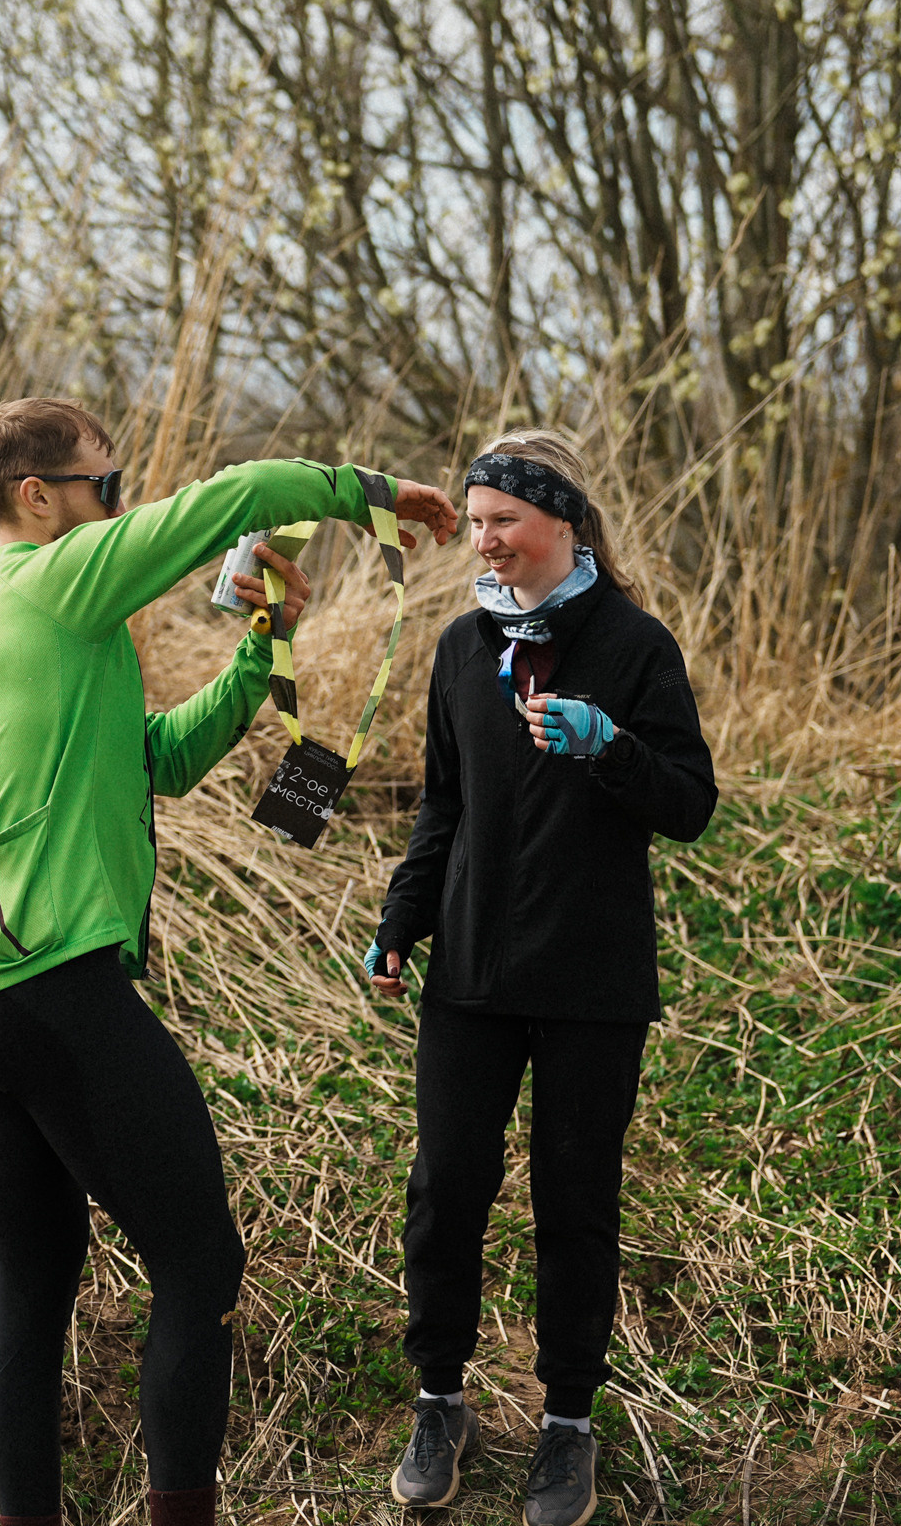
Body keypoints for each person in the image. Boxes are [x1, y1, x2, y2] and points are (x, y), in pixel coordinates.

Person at [0, 398, 459, 1526]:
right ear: (38, 498)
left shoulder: (2, 618)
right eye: (107, 488)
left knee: (33, 1288)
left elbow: (158, 762)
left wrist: (263, 645)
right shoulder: (51, 581)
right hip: (57, 985)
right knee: (202, 1266)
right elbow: (235, 496)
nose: (122, 506)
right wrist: (364, 494)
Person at [363, 429, 716, 1526]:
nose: (484, 540)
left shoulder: (636, 646)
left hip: (591, 980)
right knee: (445, 1193)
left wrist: (610, 744)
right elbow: (444, 806)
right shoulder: (464, 647)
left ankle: (569, 1425)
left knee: (575, 1203)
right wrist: (401, 922)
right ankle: (441, 1400)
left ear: (562, 520)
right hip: (468, 970)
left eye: (502, 521)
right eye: (475, 523)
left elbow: (690, 805)